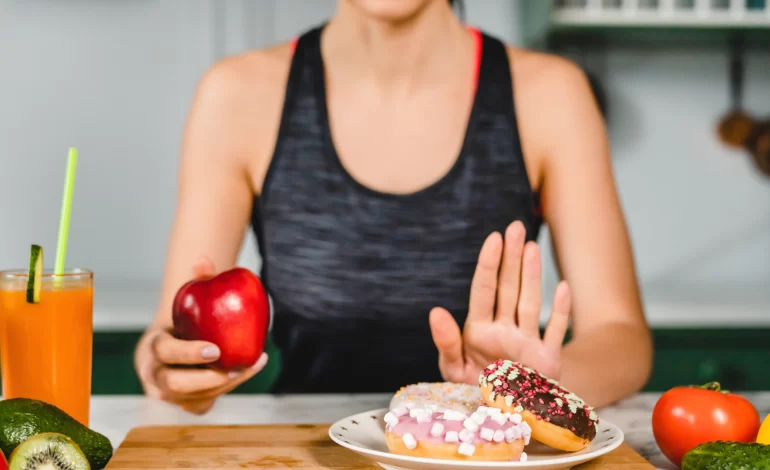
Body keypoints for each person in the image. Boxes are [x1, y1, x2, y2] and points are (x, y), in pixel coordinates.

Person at [134, 0, 652, 415]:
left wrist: (526, 388)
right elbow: (163, 339)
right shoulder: (236, 94)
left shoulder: (551, 93)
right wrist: (171, 367)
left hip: (488, 453)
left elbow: (622, 338)